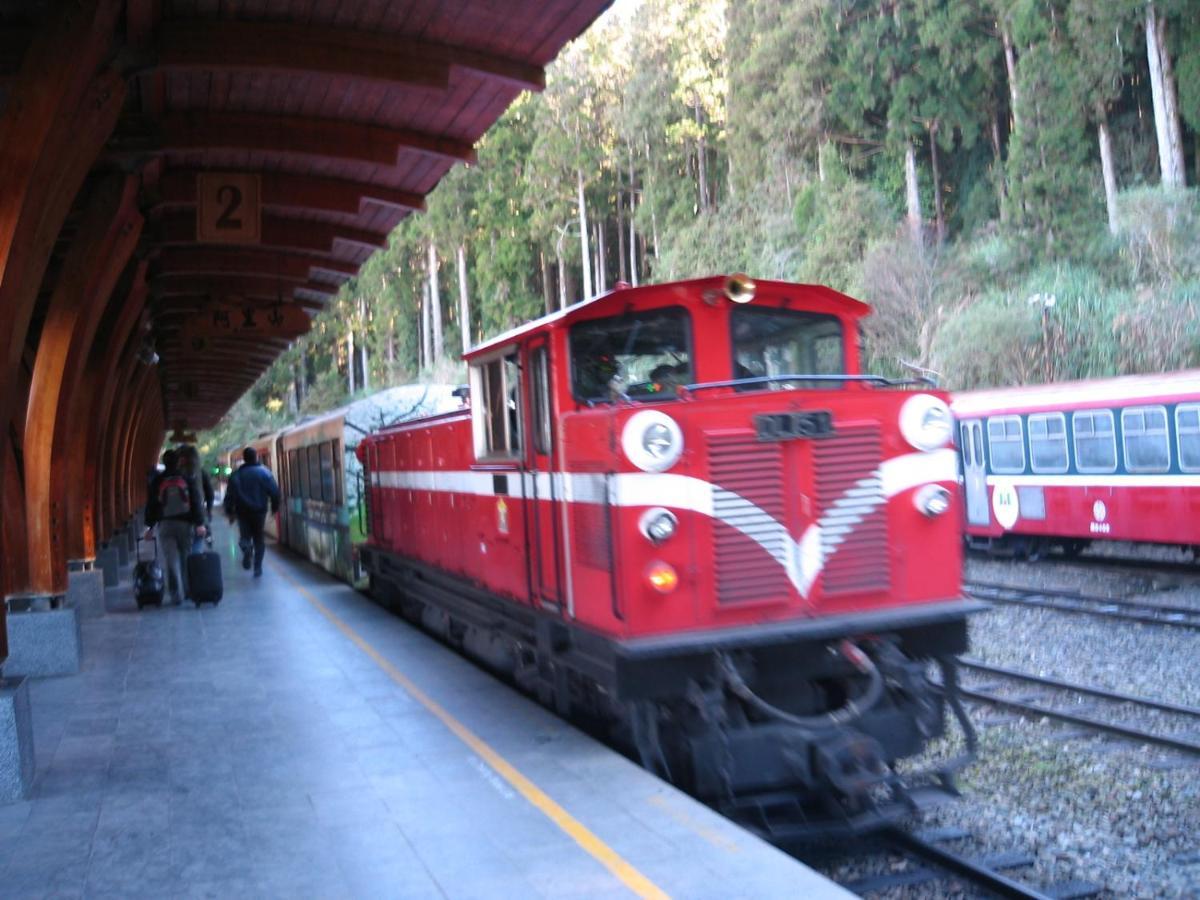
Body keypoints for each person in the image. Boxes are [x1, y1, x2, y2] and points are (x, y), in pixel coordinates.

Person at [145, 449, 206, 605]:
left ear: (164, 463)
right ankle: (186, 590)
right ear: (178, 462)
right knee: (185, 558)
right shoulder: (187, 479)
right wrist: (199, 523)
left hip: (165, 525)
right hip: (185, 525)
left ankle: (175, 594)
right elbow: (196, 502)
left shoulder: (158, 480)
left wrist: (149, 527)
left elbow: (151, 505)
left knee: (170, 560)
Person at [225, 446, 279, 577]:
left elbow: (229, 496)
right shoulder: (265, 473)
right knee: (259, 539)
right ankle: (257, 568)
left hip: (242, 512)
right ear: (256, 457)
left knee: (245, 536)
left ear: (244, 459)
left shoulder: (236, 475)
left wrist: (230, 512)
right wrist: (274, 508)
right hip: (259, 512)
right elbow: (275, 492)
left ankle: (246, 548)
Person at [178, 445, 215, 548]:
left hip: (177, 517)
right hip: (198, 515)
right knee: (197, 543)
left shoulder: (175, 474)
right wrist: (209, 510)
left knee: (181, 550)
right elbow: (210, 494)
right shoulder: (201, 472)